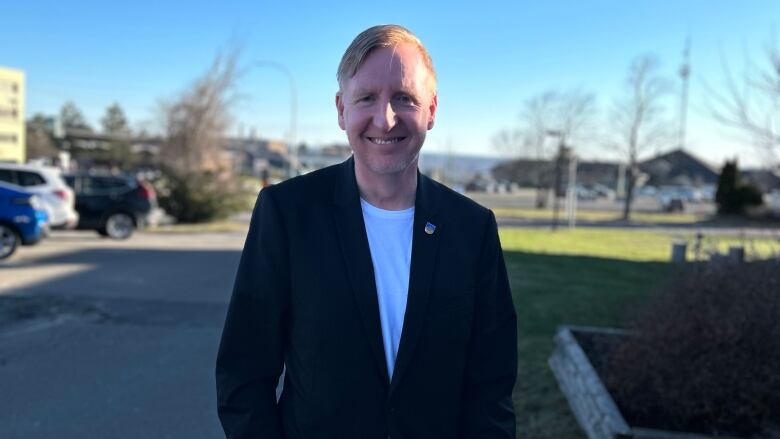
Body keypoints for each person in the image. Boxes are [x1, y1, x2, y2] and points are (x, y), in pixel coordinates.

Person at [216, 24, 517, 438]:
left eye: (404, 98)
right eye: (367, 98)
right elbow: (244, 369)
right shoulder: (288, 213)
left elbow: (491, 384)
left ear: (431, 109)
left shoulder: (472, 228)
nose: (385, 117)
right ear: (342, 110)